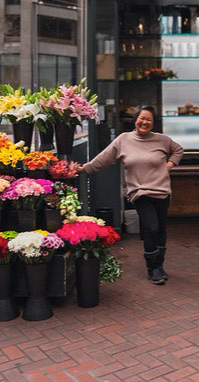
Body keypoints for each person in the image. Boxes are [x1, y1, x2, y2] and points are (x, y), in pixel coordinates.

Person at [78, 106, 184, 285]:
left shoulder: (162, 140)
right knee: (151, 228)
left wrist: (169, 165)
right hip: (139, 192)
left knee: (161, 229)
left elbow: (178, 150)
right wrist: (84, 169)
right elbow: (104, 158)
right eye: (141, 118)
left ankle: (159, 266)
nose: (144, 122)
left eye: (149, 119)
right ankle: (153, 268)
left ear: (153, 123)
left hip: (162, 191)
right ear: (135, 120)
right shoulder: (123, 140)